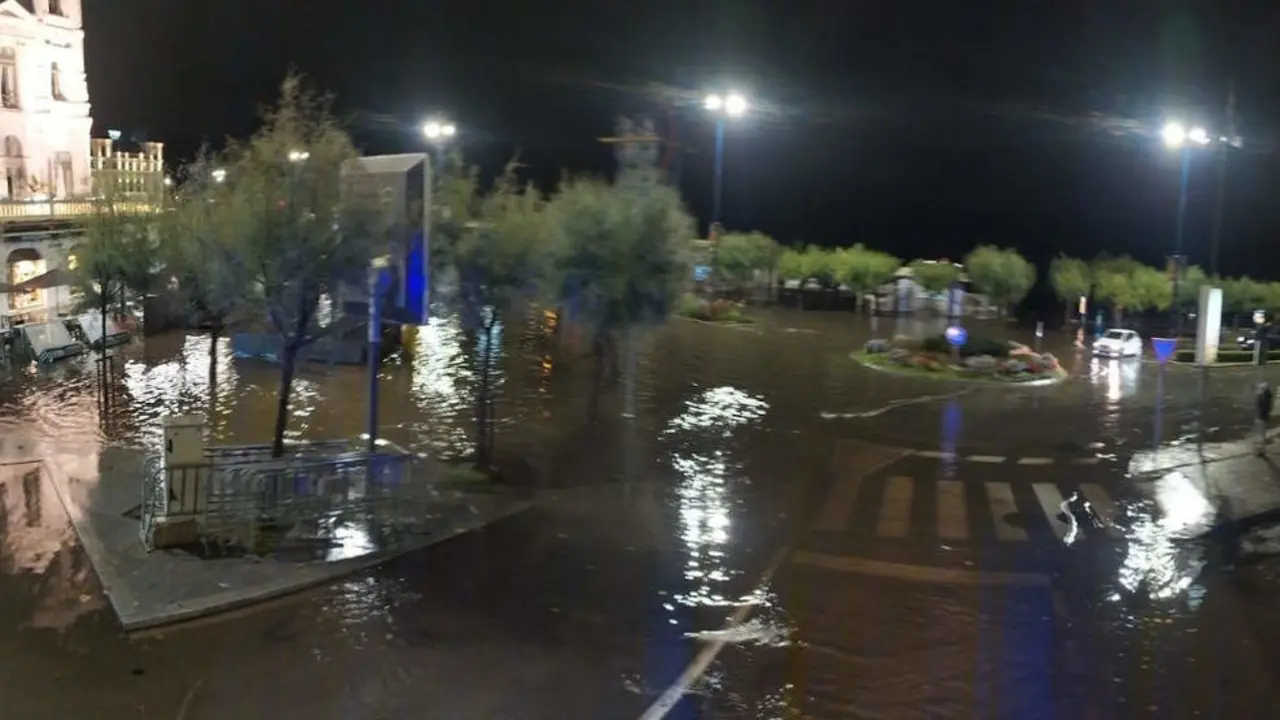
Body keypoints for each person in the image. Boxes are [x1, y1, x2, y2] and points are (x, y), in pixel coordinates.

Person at [1255, 381, 1273, 456]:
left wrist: (1259, 416)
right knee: (1262, 434)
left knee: (1261, 434)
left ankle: (1262, 451)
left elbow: (1261, 406)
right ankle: (1262, 450)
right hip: (1264, 417)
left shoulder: (1263, 397)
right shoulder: (1268, 396)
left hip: (1262, 417)